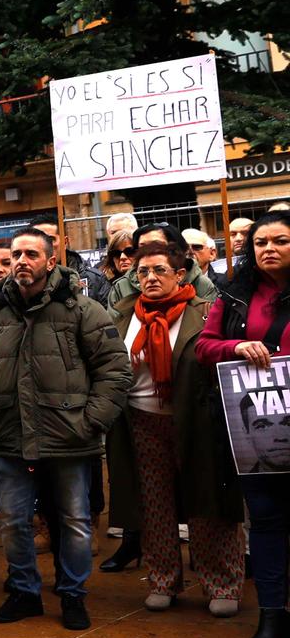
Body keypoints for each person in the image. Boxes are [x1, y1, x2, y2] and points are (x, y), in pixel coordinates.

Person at [0, 227, 132, 630]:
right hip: (11, 436)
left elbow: (115, 371)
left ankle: (73, 595)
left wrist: (90, 421)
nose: (21, 262)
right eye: (15, 255)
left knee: (75, 520)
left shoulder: (82, 309)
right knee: (12, 518)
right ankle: (25, 591)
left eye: (30, 254)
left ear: (49, 261)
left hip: (69, 437)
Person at [101, 240, 241, 617]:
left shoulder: (208, 310)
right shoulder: (122, 314)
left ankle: (222, 583)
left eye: (159, 270)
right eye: (142, 272)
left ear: (180, 274)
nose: (149, 278)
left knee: (207, 501)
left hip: (196, 422)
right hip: (141, 421)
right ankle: (162, 578)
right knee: (154, 504)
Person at [197, 210, 290, 638]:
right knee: (267, 523)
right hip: (257, 430)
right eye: (260, 243)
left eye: (281, 241)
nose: (269, 248)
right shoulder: (234, 295)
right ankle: (272, 616)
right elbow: (203, 346)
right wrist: (235, 346)